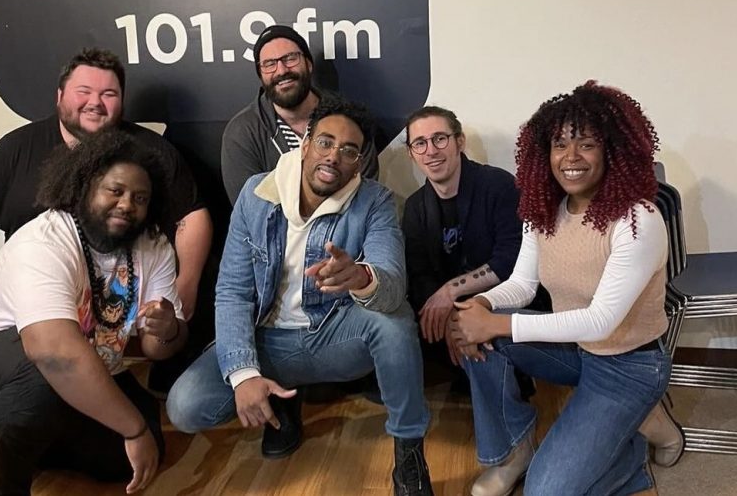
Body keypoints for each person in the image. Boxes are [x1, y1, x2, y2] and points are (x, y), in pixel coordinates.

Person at [167, 98, 433, 495]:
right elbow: (233, 291)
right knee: (184, 407)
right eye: (325, 142)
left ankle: (409, 453)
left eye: (349, 150)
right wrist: (243, 375)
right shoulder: (255, 194)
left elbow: (392, 285)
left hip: (332, 336)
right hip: (266, 339)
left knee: (394, 322)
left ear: (359, 162)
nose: (334, 157)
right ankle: (279, 396)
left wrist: (360, 276)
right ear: (304, 144)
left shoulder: (373, 201)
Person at [450, 81, 682, 496]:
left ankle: (634, 445)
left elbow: (600, 322)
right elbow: (522, 285)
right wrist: (480, 306)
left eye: (587, 145)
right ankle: (514, 453)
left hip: (630, 366)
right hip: (578, 352)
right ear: (545, 153)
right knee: (473, 331)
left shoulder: (638, 220)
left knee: (546, 492)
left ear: (613, 151)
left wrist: (497, 325)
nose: (570, 157)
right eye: (559, 144)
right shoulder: (543, 211)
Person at [0, 131, 189, 495]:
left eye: (140, 197)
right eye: (115, 191)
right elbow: (54, 353)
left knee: (131, 458)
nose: (127, 204)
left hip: (87, 361)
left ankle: (19, 443)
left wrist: (167, 330)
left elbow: (157, 349)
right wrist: (134, 429)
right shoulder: (44, 241)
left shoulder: (153, 246)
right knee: (42, 380)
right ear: (84, 186)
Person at [0, 47, 211, 336]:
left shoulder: (152, 153)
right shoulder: (14, 150)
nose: (95, 103)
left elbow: (191, 216)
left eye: (109, 94)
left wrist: (186, 283)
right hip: (31, 313)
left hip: (119, 328)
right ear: (60, 96)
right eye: (83, 91)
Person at [402, 106, 548, 384]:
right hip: (451, 314)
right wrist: (449, 321)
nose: (431, 150)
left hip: (501, 303)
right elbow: (419, 276)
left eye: (440, 138)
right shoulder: (415, 207)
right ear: (411, 153)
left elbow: (511, 261)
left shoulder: (498, 185)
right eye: (420, 143)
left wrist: (451, 293)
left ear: (459, 141)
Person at [220, 24, 379, 205]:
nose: (281, 70)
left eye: (290, 58)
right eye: (269, 64)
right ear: (260, 75)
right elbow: (251, 212)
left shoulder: (349, 120)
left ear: (308, 64)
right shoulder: (242, 133)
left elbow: (367, 199)